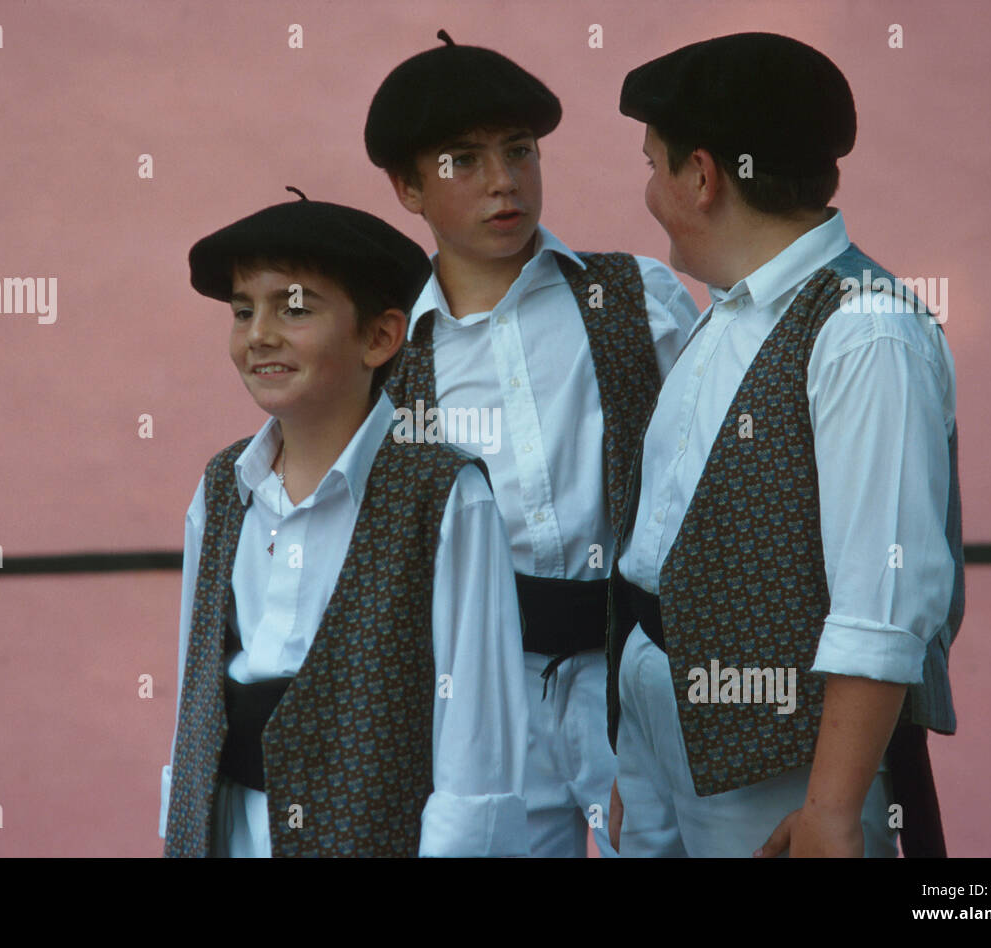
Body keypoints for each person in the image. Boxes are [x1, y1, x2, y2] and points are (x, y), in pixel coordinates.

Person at [608, 32, 964, 858]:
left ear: (701, 177)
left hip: (783, 766)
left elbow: (884, 600)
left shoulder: (864, 333)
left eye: (653, 163)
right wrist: (645, 753)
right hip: (673, 736)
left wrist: (832, 811)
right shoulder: (730, 312)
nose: (650, 191)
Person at [366, 31, 700, 858]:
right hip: (484, 694)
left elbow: (705, 479)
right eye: (463, 161)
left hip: (639, 672)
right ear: (409, 187)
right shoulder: (388, 350)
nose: (504, 180)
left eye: (520, 152)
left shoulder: (636, 298)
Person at [160, 189, 529, 857]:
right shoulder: (222, 489)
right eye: (245, 311)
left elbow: (474, 736)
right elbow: (197, 694)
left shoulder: (443, 497)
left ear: (380, 336)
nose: (260, 334)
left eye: (295, 308)